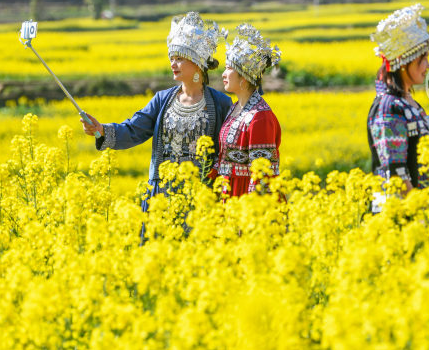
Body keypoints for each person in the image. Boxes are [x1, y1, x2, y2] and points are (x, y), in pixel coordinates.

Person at [80, 11, 232, 209]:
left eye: (179, 59)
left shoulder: (220, 103)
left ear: (197, 63)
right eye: (172, 58)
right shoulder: (162, 99)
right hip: (162, 194)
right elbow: (133, 129)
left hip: (202, 196)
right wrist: (101, 129)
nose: (172, 64)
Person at [367, 4, 429, 194]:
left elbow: (412, 153)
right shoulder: (389, 107)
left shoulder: (409, 104)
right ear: (404, 62)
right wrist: (420, 208)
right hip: (402, 212)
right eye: (422, 58)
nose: (428, 65)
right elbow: (396, 172)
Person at [211, 23, 282, 197]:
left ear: (244, 77)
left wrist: (252, 210)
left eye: (229, 68)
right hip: (230, 193)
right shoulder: (235, 109)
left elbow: (262, 174)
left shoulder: (260, 117)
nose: (223, 74)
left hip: (245, 198)